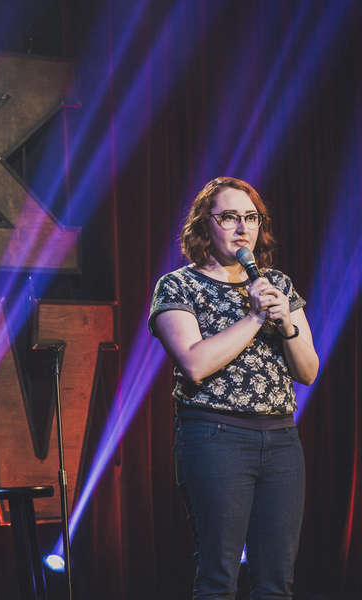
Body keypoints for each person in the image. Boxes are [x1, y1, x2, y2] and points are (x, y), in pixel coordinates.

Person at [148, 177, 319, 599]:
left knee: (276, 579)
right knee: (219, 576)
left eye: (251, 218)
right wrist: (257, 318)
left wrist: (285, 321)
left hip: (281, 440)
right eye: (229, 217)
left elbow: (309, 371)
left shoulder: (275, 284)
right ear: (204, 225)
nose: (243, 227)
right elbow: (194, 363)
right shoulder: (179, 285)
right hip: (215, 437)